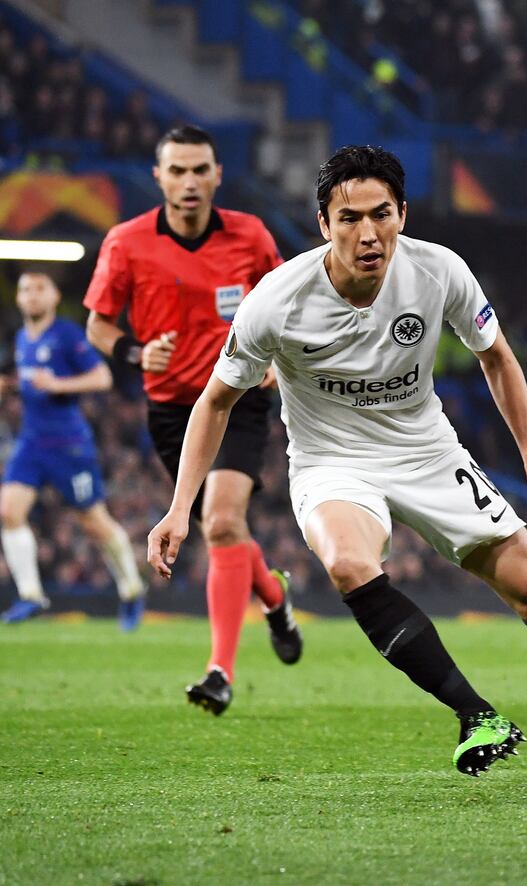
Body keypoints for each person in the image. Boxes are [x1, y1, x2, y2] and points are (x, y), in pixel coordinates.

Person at [147, 145, 527, 778]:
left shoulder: (439, 271)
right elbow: (214, 404)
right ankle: (474, 713)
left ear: (403, 213)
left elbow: (497, 357)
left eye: (381, 214)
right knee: (350, 562)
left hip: (427, 450)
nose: (367, 233)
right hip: (330, 461)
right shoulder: (276, 299)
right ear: (324, 224)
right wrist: (181, 507)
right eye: (348, 218)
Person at [84, 124, 301, 714]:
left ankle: (219, 672)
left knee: (224, 521)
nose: (188, 182)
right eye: (176, 170)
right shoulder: (126, 242)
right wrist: (134, 351)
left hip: (237, 397)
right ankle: (273, 597)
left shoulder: (250, 236)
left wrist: (278, 363)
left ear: (217, 175)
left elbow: (288, 303)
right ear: (158, 177)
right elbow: (99, 326)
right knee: (220, 528)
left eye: (199, 169)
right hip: (172, 411)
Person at [0, 271, 146, 628]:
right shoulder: (23, 338)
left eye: (39, 289)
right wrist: (11, 386)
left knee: (93, 522)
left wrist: (58, 384)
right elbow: (35, 383)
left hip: (69, 445)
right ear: (18, 300)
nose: (32, 296)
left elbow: (102, 378)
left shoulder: (66, 334)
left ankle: (131, 588)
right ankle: (31, 595)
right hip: (32, 442)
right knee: (8, 511)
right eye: (25, 290)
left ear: (52, 298)